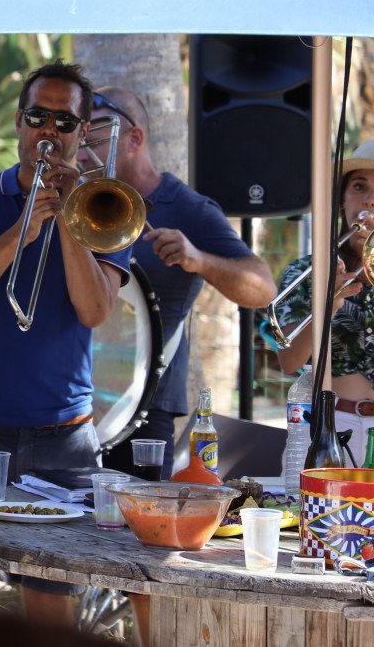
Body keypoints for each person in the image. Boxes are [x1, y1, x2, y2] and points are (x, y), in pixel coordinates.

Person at [0, 61, 132, 629]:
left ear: (83, 133)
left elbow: (95, 311)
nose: (49, 132)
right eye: (39, 116)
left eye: (65, 122)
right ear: (18, 121)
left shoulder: (105, 207)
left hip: (63, 438)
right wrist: (21, 232)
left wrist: (64, 220)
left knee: (51, 614)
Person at [89, 87, 275, 477]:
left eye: (97, 134)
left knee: (132, 533)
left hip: (145, 408)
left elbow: (262, 289)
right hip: (72, 402)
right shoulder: (77, 199)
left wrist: (198, 258)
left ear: (135, 138)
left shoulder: (190, 209)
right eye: (81, 135)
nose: (84, 146)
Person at [273, 138, 374, 466]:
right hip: (331, 427)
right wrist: (325, 307)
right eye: (360, 186)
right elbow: (288, 361)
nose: (370, 201)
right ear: (342, 199)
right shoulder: (308, 270)